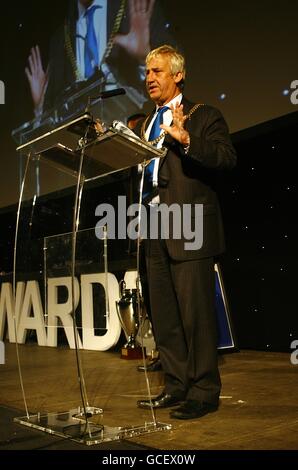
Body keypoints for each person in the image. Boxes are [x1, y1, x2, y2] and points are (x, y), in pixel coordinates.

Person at [135, 45, 237, 419]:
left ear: (178, 75)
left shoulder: (203, 114)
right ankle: (176, 386)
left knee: (196, 315)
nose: (149, 78)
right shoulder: (147, 122)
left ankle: (204, 391)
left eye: (157, 71)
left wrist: (187, 139)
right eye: (147, 72)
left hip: (189, 225)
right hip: (153, 226)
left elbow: (227, 159)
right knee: (165, 315)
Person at [25, 0, 177, 119]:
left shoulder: (136, 9)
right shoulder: (60, 40)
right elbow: (54, 118)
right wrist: (41, 107)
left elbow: (177, 76)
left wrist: (144, 58)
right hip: (82, 152)